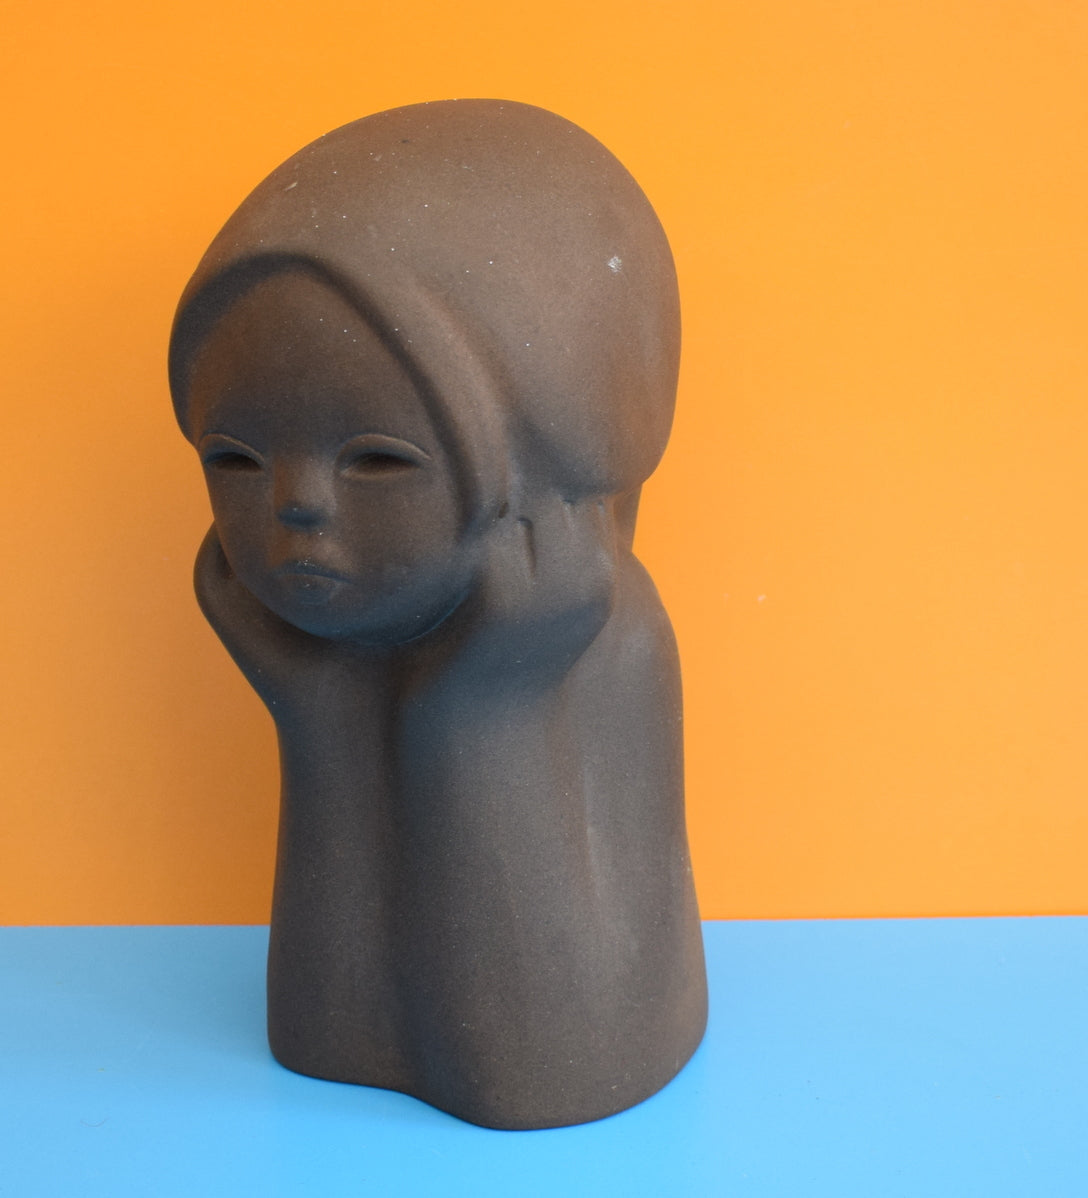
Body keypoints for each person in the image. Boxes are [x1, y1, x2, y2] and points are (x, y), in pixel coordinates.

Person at [170, 99, 707, 1129]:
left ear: (543, 470)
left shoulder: (602, 640)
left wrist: (483, 713)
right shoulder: (340, 650)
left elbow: (557, 1069)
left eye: (376, 459)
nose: (294, 507)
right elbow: (323, 1032)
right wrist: (315, 713)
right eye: (232, 459)